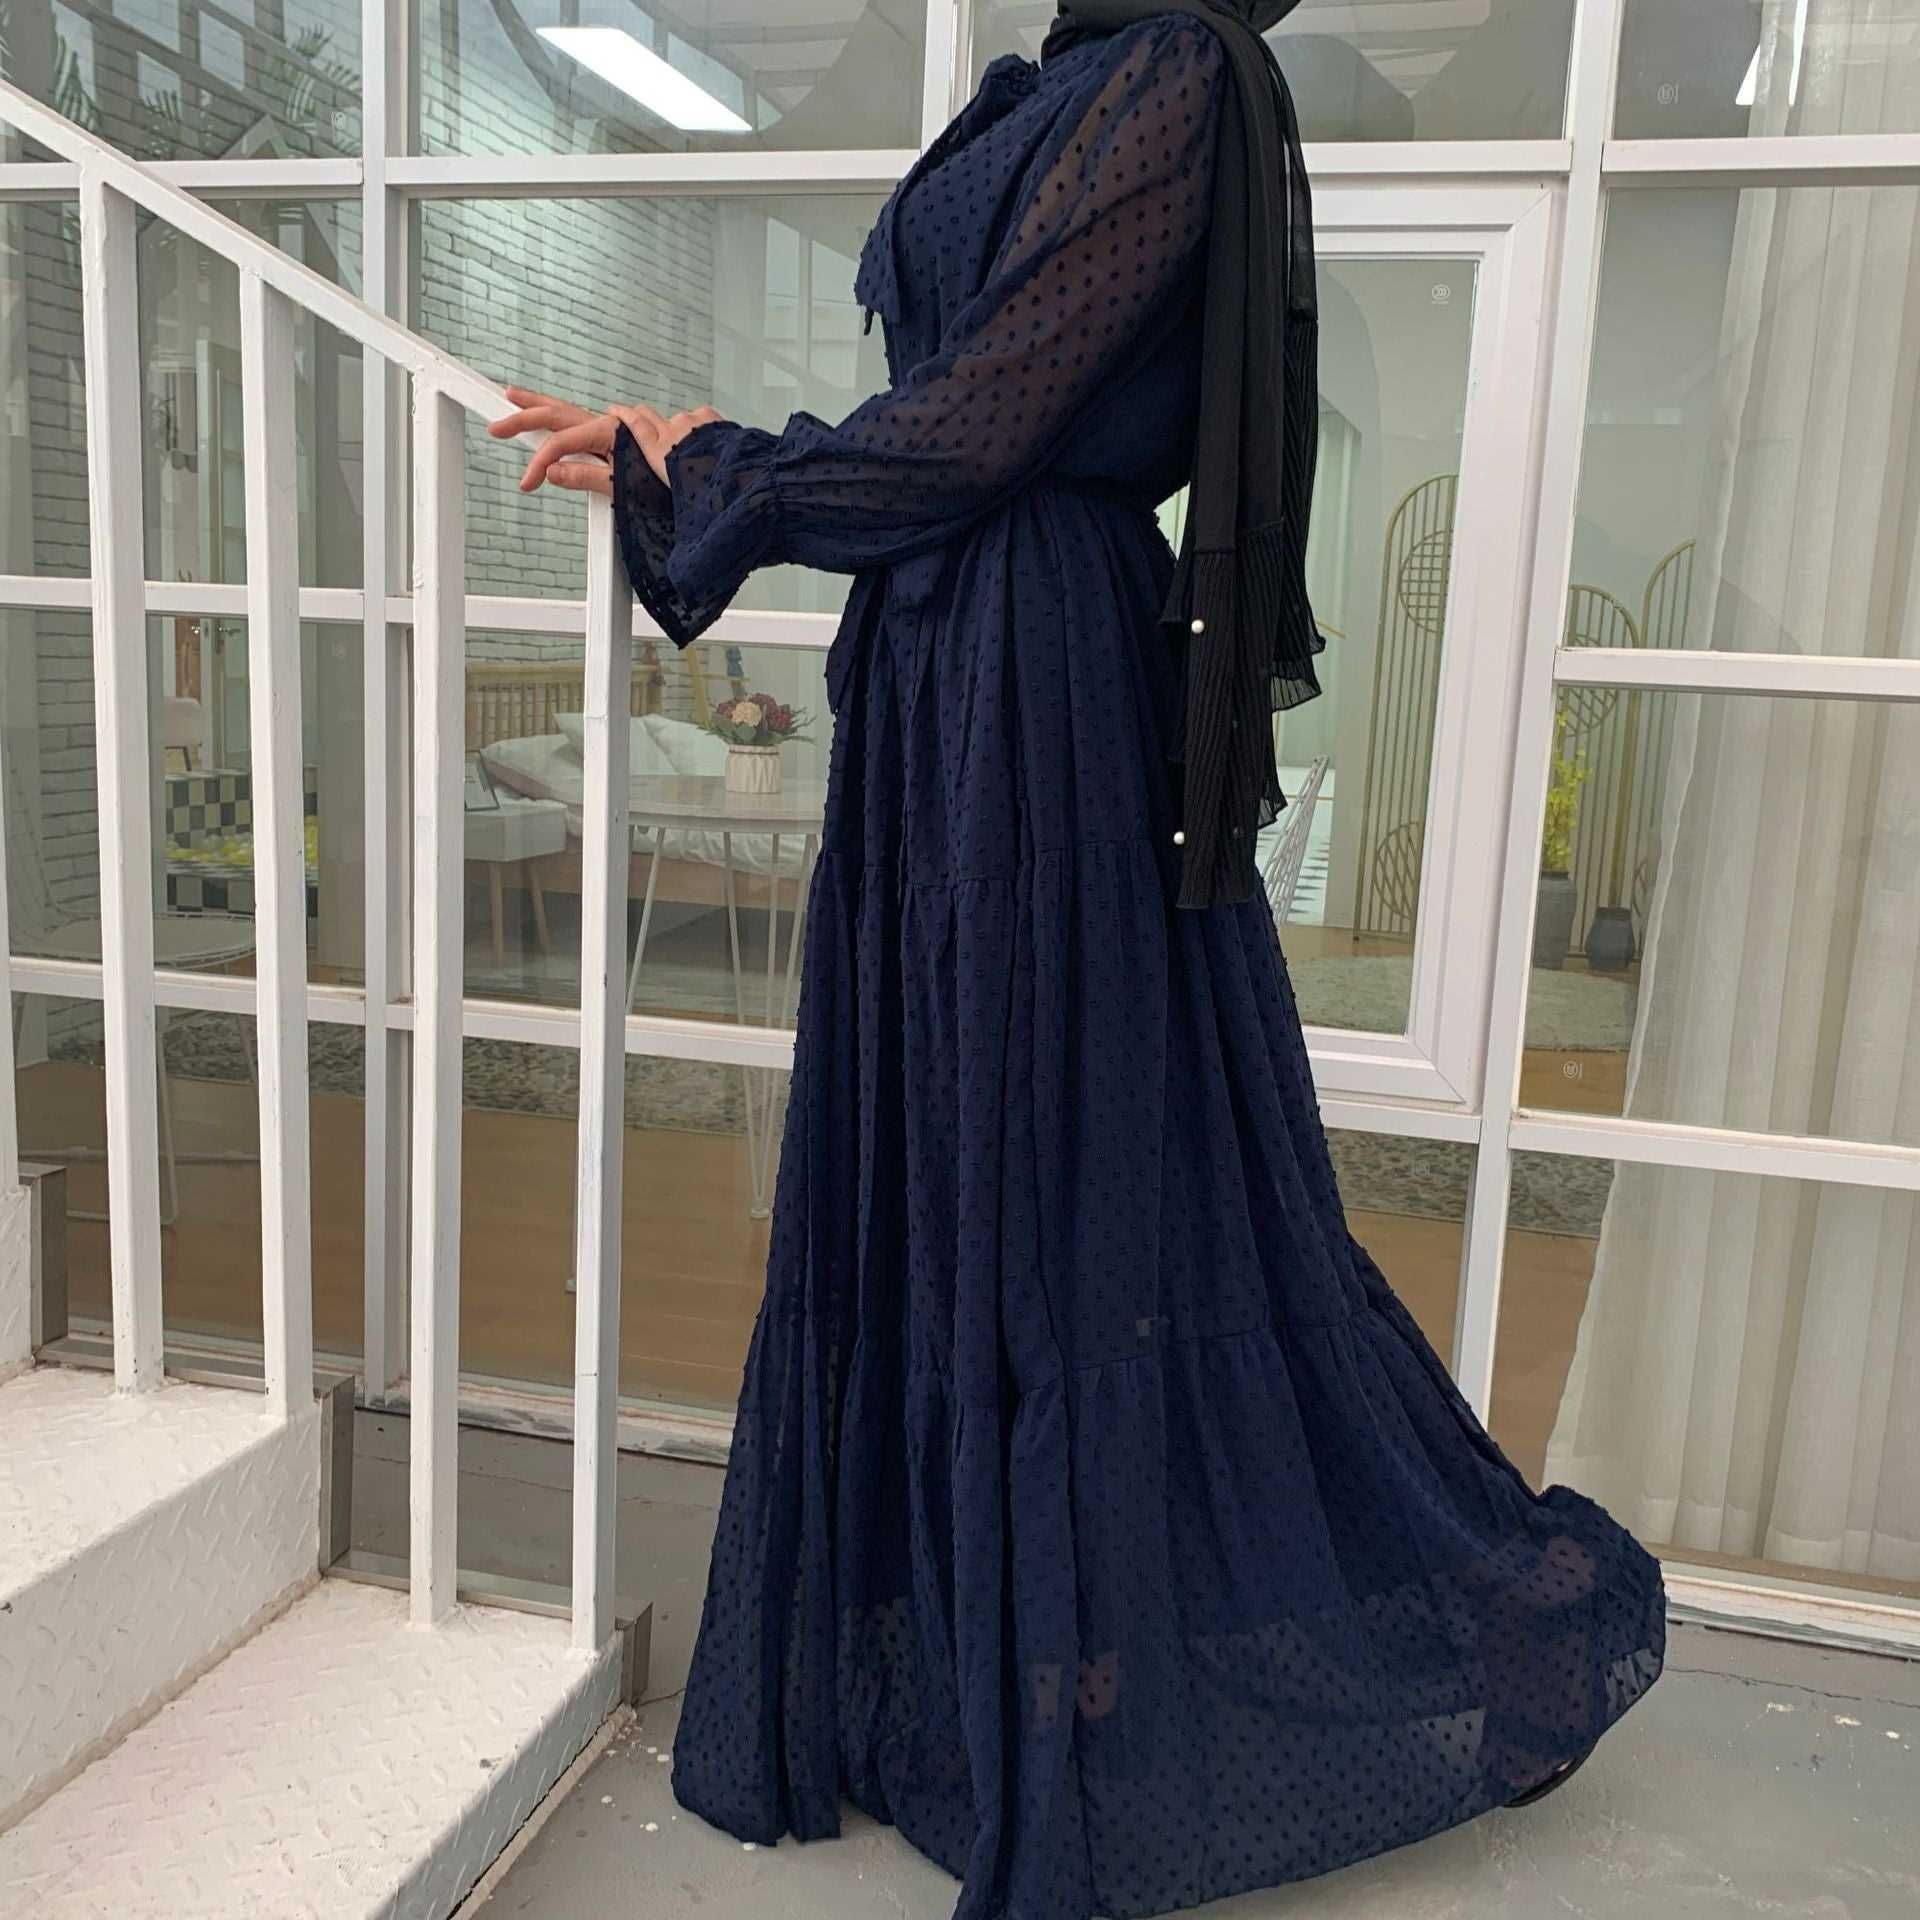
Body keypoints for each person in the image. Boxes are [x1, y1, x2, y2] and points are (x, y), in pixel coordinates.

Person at [493, 3, 1665, 1915]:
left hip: (1043, 688)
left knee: (1060, 1182)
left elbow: (984, 420)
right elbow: (953, 417)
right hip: (945, 673)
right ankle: (990, 1668)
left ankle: (1210, 1658)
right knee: (949, 1170)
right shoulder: (1039, 90)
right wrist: (710, 455)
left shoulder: (1180, 71)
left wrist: (724, 466)